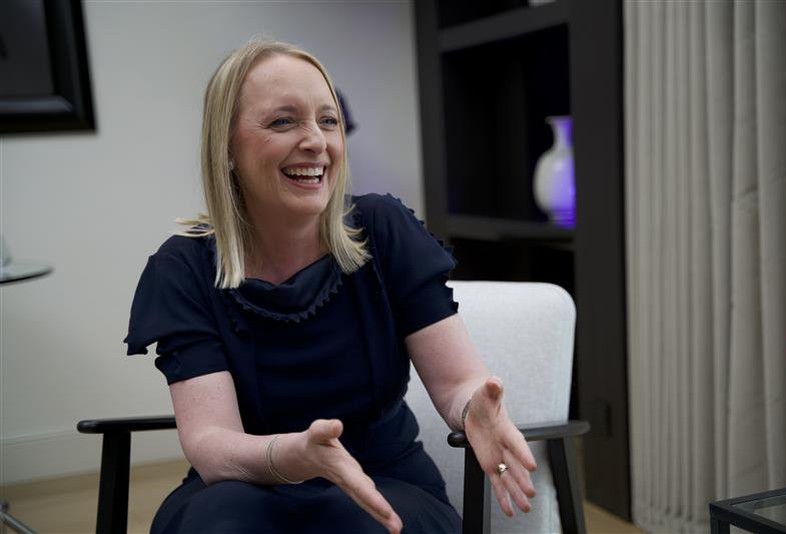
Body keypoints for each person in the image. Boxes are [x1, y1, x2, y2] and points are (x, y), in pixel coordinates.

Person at [125, 39, 536, 534]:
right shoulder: (184, 266)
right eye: (283, 121)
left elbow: (455, 384)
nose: (316, 141)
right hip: (244, 484)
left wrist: (475, 407)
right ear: (226, 145)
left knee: (355, 521)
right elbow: (213, 442)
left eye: (328, 120)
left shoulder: (382, 230)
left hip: (385, 481)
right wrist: (293, 455)